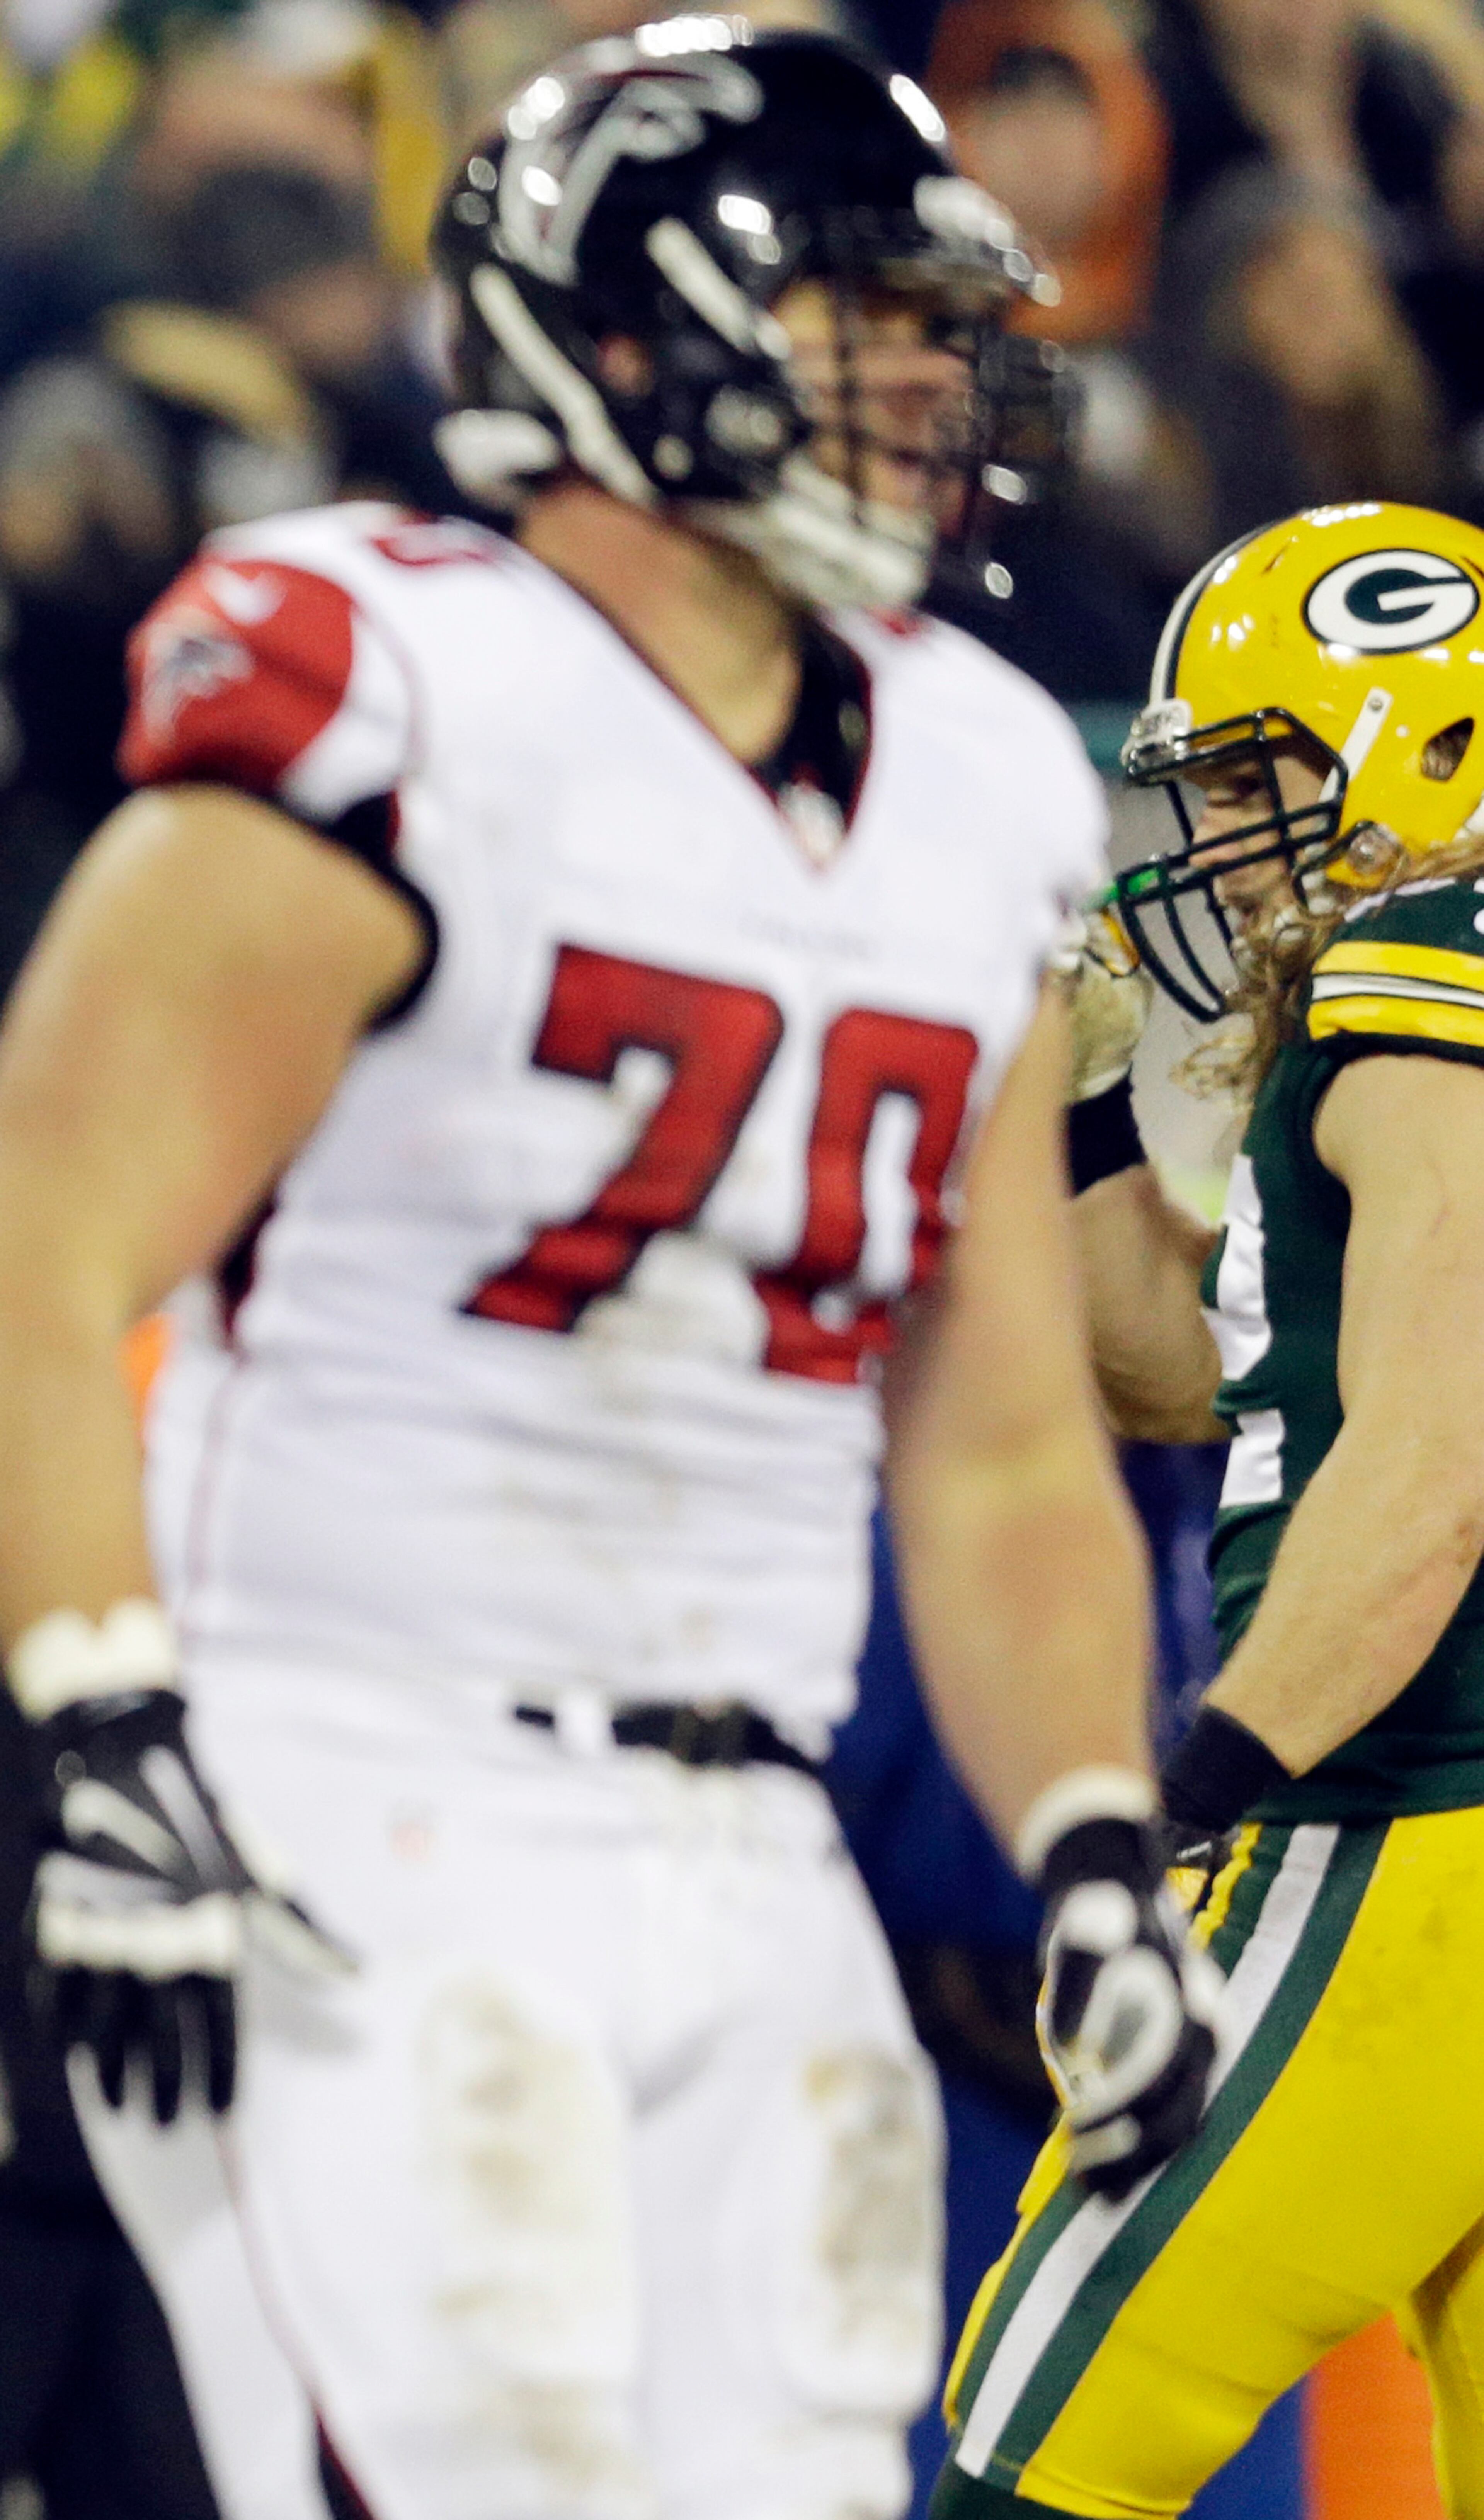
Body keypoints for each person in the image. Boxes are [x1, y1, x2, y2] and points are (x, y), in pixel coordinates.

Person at [0, 27, 1217, 2520]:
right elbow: (38, 1235)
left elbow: (990, 1426)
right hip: (361, 1794)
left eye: (930, 325)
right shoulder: (397, 680)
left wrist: (1092, 1831)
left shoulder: (983, 768)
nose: (924, 383)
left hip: (756, 1846)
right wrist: (106, 1737)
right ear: (626, 339)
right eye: (853, 321)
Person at [936, 498, 1484, 2520]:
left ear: (1426, 755)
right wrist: (1082, 1108)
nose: (1214, 846)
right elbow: (1214, 1379)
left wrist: (1191, 1793)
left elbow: (1432, 1473)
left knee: (1033, 2459)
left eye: (1256, 783)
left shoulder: (1437, 969)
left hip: (1417, 1834)